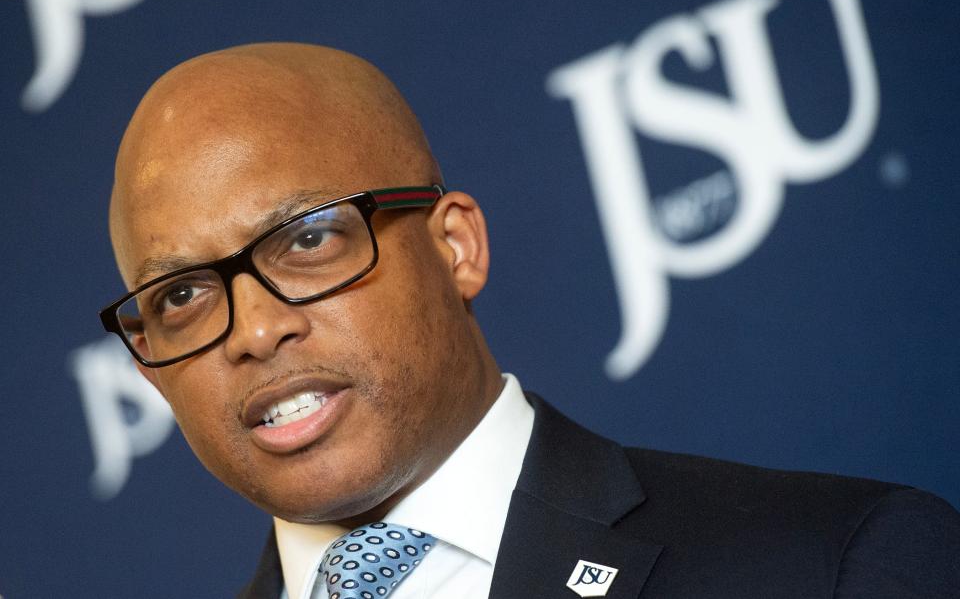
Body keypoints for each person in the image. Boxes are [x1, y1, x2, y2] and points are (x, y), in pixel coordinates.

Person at [101, 42, 960, 599]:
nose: (253, 329)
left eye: (308, 239)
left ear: (456, 248)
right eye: (180, 295)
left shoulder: (838, 565)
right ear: (149, 367)